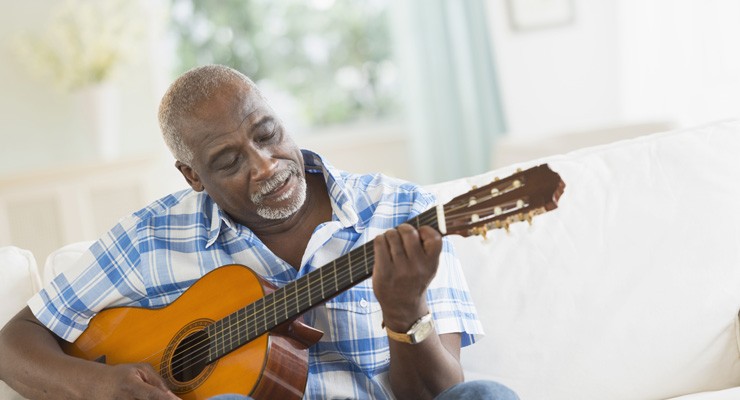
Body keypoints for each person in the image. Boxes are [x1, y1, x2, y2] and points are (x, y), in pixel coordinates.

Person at [0, 65, 518, 400]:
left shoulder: (403, 210)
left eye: (267, 134)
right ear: (193, 177)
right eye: (228, 161)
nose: (265, 166)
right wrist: (99, 385)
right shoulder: (148, 238)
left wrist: (406, 313)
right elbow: (12, 344)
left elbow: (440, 391)